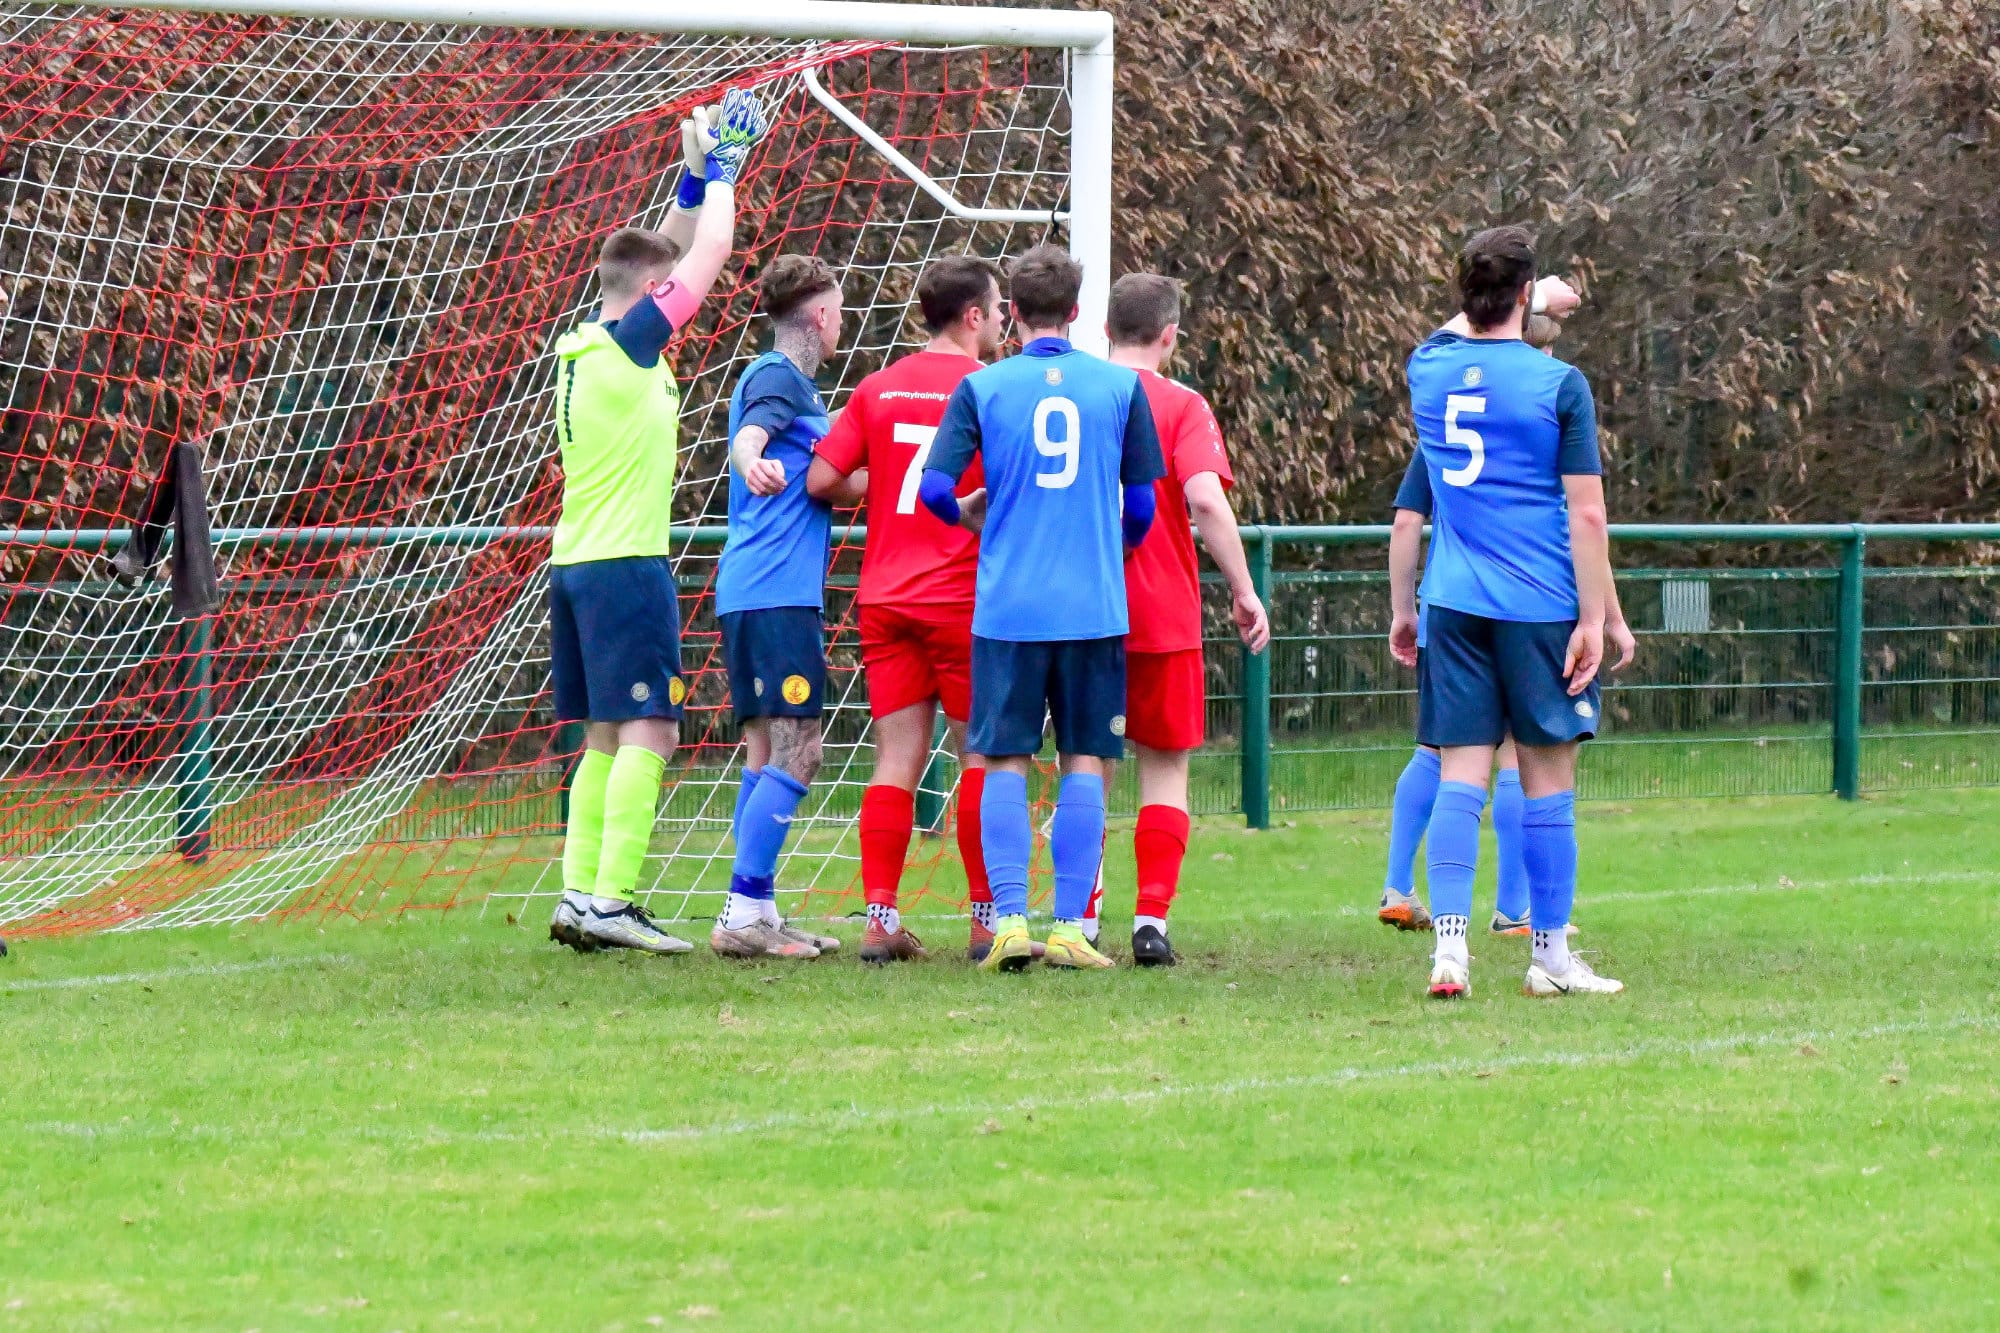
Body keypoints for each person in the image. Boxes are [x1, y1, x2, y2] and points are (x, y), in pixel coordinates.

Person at [547, 90, 766, 956]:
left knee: (604, 738)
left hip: (576, 562)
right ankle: (613, 901)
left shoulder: (586, 340)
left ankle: (580, 896)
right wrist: (727, 172)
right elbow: (709, 251)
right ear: (650, 296)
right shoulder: (633, 346)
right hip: (625, 566)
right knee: (654, 731)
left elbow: (664, 251)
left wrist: (690, 178)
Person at [1390, 224, 1623, 999]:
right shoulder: (1559, 384)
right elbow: (1586, 514)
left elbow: (1447, 334)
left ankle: (1450, 950)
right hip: (1539, 603)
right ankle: (1549, 956)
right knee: (1547, 775)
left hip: (1453, 601)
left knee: (1461, 772)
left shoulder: (1429, 369)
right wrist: (1594, 617)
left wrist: (1518, 298)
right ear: (1525, 295)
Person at [920, 243, 1167, 971]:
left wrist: (970, 515)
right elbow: (1144, 507)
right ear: (1079, 312)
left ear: (1015, 313)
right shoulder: (1120, 388)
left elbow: (932, 491)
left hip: (1009, 608)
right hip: (1092, 605)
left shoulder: (982, 386)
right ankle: (1069, 928)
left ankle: (1006, 924)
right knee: (1084, 758)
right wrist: (1112, 548)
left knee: (1002, 759)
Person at [805, 256, 1010, 964]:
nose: (1004, 319)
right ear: (973, 316)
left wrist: (885, 475)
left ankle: (880, 919)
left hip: (887, 598)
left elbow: (822, 478)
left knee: (896, 758)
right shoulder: (990, 389)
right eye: (998, 308)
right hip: (962, 597)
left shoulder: (878, 386)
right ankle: (986, 921)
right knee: (980, 755)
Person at [1098, 273, 1270, 966]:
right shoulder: (1181, 404)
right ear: (1169, 335)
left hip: (1081, 609)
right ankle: (1150, 922)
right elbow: (1204, 497)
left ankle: (1078, 918)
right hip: (1160, 611)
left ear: (1105, 327)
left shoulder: (1075, 393)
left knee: (1087, 766)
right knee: (1165, 770)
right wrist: (1244, 587)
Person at [711, 254, 848, 961]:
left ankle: (756, 911)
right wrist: (749, 459)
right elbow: (750, 438)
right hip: (774, 594)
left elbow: (827, 461)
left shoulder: (797, 392)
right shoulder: (778, 377)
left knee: (765, 751)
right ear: (820, 316)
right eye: (840, 311)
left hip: (756, 590)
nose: (842, 324)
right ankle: (741, 913)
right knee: (802, 750)